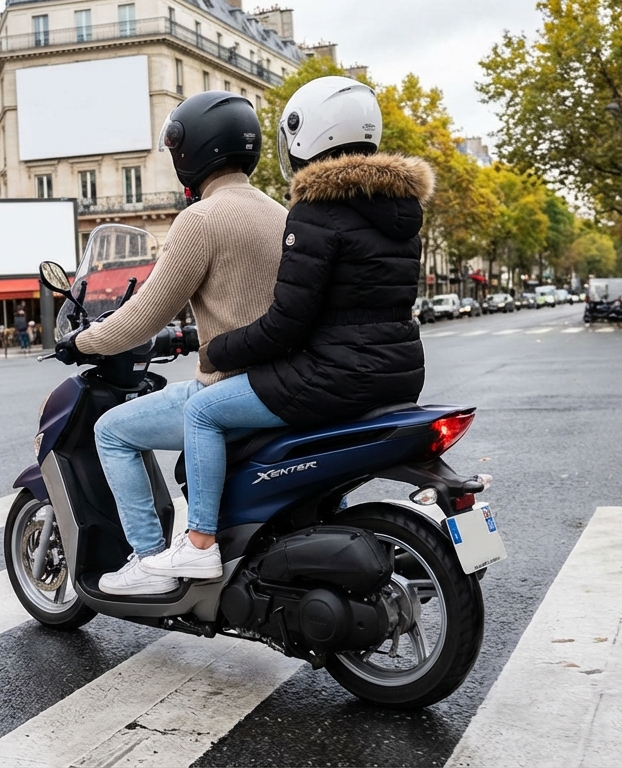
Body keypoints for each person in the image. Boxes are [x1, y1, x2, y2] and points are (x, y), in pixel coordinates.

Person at [139, 76, 433, 584]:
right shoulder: (402, 212)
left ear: (307, 134)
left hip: (333, 376)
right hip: (401, 373)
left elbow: (286, 325)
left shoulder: (316, 212)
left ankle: (200, 543)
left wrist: (218, 350)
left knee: (203, 410)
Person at [54, 91, 286, 595]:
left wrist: (85, 341)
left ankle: (147, 559)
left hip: (229, 387)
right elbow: (252, 308)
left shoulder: (200, 220)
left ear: (191, 149)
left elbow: (143, 316)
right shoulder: (280, 213)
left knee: (111, 430)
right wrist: (193, 335)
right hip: (281, 383)